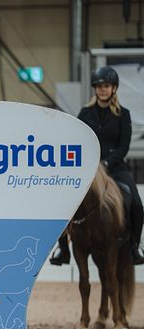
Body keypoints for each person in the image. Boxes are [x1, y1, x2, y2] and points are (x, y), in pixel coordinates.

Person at [49, 66, 144, 265]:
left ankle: (134, 246)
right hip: (89, 169)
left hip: (115, 168)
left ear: (114, 88)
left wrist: (108, 162)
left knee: (136, 203)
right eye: (99, 86)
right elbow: (78, 140)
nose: (102, 89)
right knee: (62, 202)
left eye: (106, 86)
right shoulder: (85, 113)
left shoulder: (123, 115)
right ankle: (63, 248)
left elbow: (123, 146)